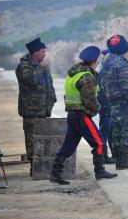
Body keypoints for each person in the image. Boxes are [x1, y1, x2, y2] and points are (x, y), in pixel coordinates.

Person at [49, 46, 117, 185]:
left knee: (68, 146)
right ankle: (100, 171)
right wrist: (99, 108)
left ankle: (55, 174)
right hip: (82, 115)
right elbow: (90, 100)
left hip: (73, 115)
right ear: (94, 61)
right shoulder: (87, 77)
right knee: (98, 143)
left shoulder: (74, 73)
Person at [15, 37, 56, 176]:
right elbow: (31, 80)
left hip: (44, 111)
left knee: (44, 141)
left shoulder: (41, 64)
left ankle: (44, 167)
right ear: (34, 52)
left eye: (44, 50)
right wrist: (41, 66)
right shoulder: (24, 66)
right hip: (31, 112)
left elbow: (48, 84)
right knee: (33, 141)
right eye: (41, 51)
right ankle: (35, 168)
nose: (44, 53)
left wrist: (52, 99)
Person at [101, 35, 128, 170]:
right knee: (127, 130)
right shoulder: (121, 63)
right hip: (123, 102)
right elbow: (127, 86)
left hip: (111, 101)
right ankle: (123, 160)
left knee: (116, 129)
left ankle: (116, 156)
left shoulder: (106, 61)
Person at [97, 49, 115, 164]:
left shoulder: (102, 67)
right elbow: (102, 90)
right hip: (105, 104)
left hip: (106, 104)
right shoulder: (103, 69)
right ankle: (103, 156)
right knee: (105, 131)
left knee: (109, 130)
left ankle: (107, 155)